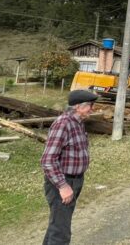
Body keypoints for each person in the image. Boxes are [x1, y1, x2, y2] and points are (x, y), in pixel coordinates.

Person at [40, 89, 98, 245]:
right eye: (90, 106)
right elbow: (48, 160)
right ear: (78, 106)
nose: (92, 109)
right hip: (63, 183)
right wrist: (63, 186)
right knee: (61, 233)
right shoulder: (63, 124)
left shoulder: (78, 123)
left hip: (75, 181)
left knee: (58, 225)